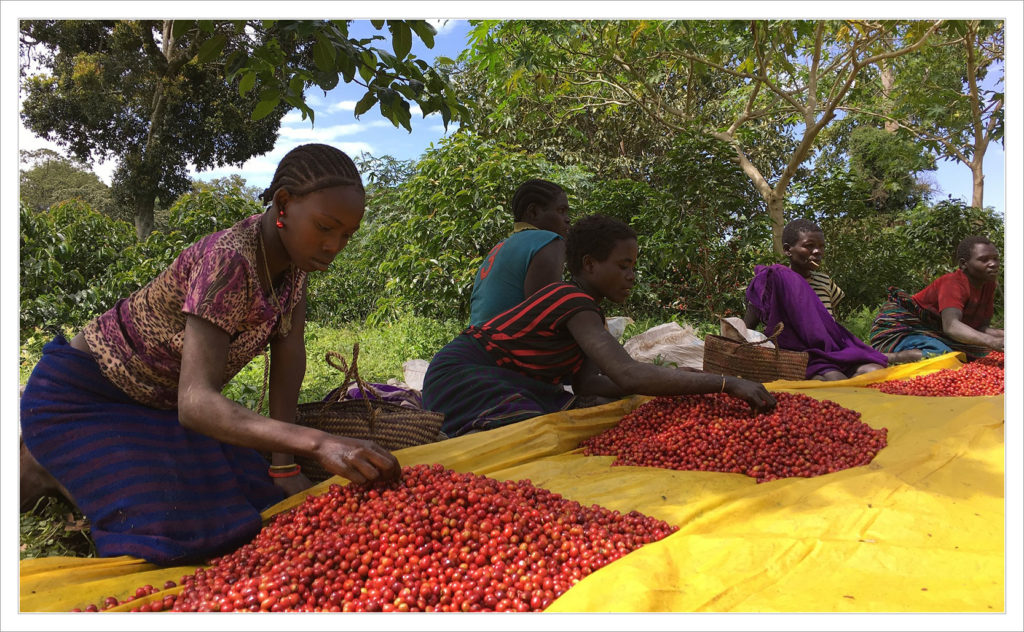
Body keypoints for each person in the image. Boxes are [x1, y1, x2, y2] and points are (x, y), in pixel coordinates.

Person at [19, 144, 400, 565]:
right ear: (283, 204)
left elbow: (289, 355)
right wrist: (320, 442)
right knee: (175, 530)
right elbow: (197, 403)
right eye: (325, 227)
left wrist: (284, 465)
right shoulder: (229, 260)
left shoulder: (295, 265)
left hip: (160, 411)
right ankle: (44, 462)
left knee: (254, 501)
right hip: (85, 398)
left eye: (346, 235)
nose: (334, 246)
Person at [423, 214, 777, 438]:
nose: (631, 276)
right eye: (623, 266)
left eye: (633, 267)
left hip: (501, 379)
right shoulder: (570, 300)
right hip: (463, 376)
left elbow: (587, 382)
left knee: (563, 418)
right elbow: (627, 374)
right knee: (533, 432)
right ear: (590, 264)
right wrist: (726, 383)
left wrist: (675, 380)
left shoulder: (588, 313)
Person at [741, 218, 893, 381]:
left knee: (875, 370)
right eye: (809, 246)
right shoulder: (772, 282)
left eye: (821, 246)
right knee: (835, 378)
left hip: (830, 351)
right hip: (799, 356)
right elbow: (745, 329)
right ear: (787, 250)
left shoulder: (824, 281)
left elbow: (828, 322)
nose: (817, 251)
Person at [870, 236, 1003, 362]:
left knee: (983, 353)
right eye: (984, 260)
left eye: (995, 258)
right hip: (899, 329)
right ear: (963, 264)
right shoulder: (953, 283)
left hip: (931, 333)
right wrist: (991, 341)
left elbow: (980, 328)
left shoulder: (988, 285)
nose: (993, 264)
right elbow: (951, 327)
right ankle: (881, 357)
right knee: (942, 355)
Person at [469, 179, 570, 326]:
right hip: (502, 339)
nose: (567, 219)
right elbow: (544, 318)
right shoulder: (548, 241)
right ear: (533, 212)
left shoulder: (501, 246)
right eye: (561, 211)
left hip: (474, 337)